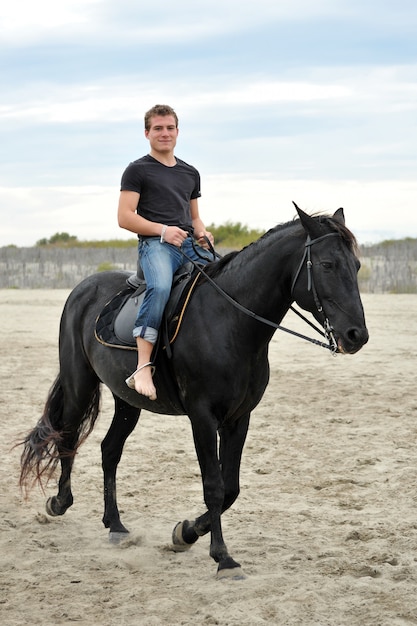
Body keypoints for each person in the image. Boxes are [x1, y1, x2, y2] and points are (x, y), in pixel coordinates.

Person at [117, 104, 214, 401]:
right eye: (158, 128)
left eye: (170, 128)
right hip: (155, 245)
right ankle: (143, 365)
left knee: (225, 280)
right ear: (147, 133)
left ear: (178, 132)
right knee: (159, 287)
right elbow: (124, 217)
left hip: (188, 245)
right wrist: (162, 231)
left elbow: (194, 215)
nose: (164, 133)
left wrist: (201, 231)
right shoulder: (137, 170)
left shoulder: (190, 172)